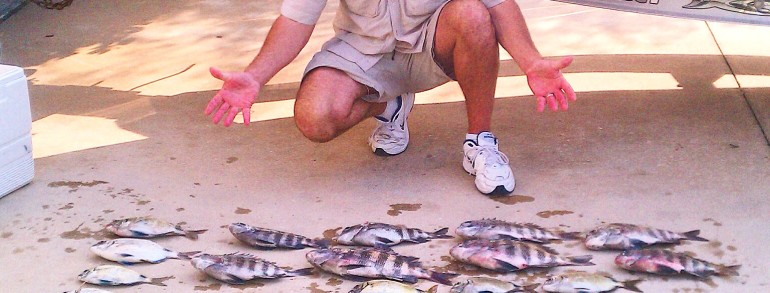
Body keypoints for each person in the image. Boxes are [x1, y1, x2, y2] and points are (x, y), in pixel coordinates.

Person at [205, 0, 576, 195]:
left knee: (474, 14)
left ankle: (480, 142)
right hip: (361, 52)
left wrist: (531, 61)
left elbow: (500, 5)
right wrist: (255, 76)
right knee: (313, 118)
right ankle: (390, 105)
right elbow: (295, 21)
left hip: (433, 46)